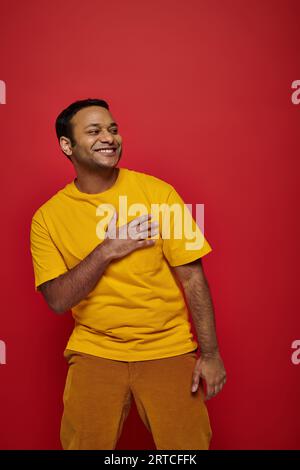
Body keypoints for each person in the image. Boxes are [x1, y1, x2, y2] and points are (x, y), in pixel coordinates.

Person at [30, 98, 226, 450]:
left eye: (113, 129)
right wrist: (107, 249)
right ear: (67, 145)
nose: (109, 137)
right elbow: (58, 300)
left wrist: (210, 355)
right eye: (94, 131)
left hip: (168, 349)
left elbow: (193, 278)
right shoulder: (47, 218)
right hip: (95, 352)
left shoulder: (157, 194)